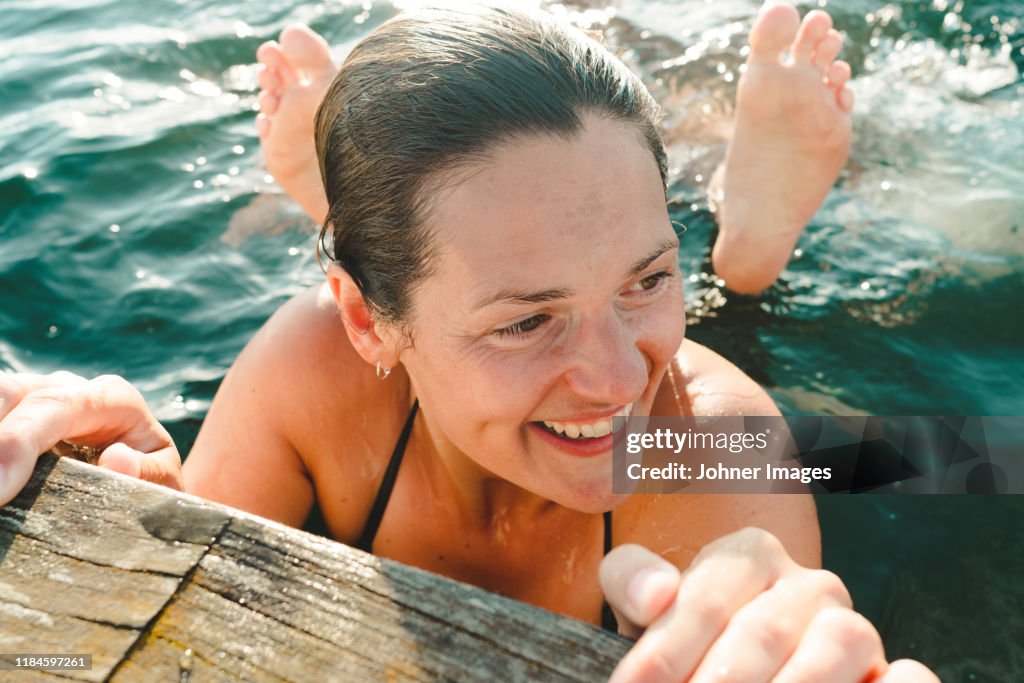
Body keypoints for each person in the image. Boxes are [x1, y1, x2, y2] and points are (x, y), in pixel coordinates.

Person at [0, 3, 936, 681]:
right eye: (525, 320)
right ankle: (359, 204)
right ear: (367, 322)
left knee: (739, 328)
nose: (617, 380)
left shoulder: (720, 445)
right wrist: (137, 510)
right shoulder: (313, 365)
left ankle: (744, 254)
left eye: (652, 275)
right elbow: (183, 601)